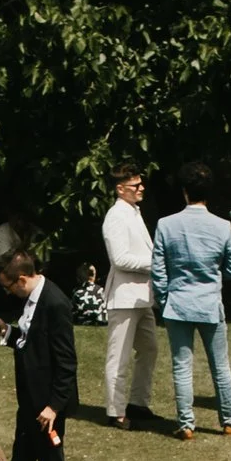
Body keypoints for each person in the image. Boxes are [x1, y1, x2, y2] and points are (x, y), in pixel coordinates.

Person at [151, 176, 231, 438]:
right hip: (208, 304)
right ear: (209, 193)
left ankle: (185, 423)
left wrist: (163, 299)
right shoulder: (221, 226)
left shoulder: (166, 224)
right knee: (220, 366)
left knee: (181, 365)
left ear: (185, 193)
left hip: (177, 304)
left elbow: (158, 270)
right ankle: (229, 420)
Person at [0, 243, 78, 461]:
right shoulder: (32, 300)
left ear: (21, 279)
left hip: (47, 402)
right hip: (30, 397)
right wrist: (7, 333)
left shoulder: (54, 303)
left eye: (8, 288)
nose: (8, 293)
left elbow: (66, 361)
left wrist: (54, 406)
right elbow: (30, 341)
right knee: (22, 454)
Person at [100, 166, 159, 427]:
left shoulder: (134, 212)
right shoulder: (115, 216)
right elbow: (120, 258)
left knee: (149, 349)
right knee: (119, 355)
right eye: (135, 185)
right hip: (123, 296)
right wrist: (156, 261)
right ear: (120, 189)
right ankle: (116, 410)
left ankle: (138, 402)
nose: (141, 188)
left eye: (140, 183)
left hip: (142, 295)